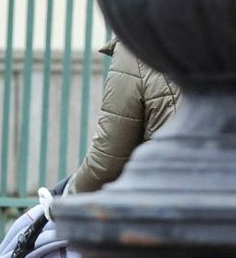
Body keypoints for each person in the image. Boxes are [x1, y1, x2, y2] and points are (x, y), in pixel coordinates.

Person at [68, 37, 180, 194]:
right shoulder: (222, 36)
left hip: (165, 200)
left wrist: (67, 197)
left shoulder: (137, 49)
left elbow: (107, 161)